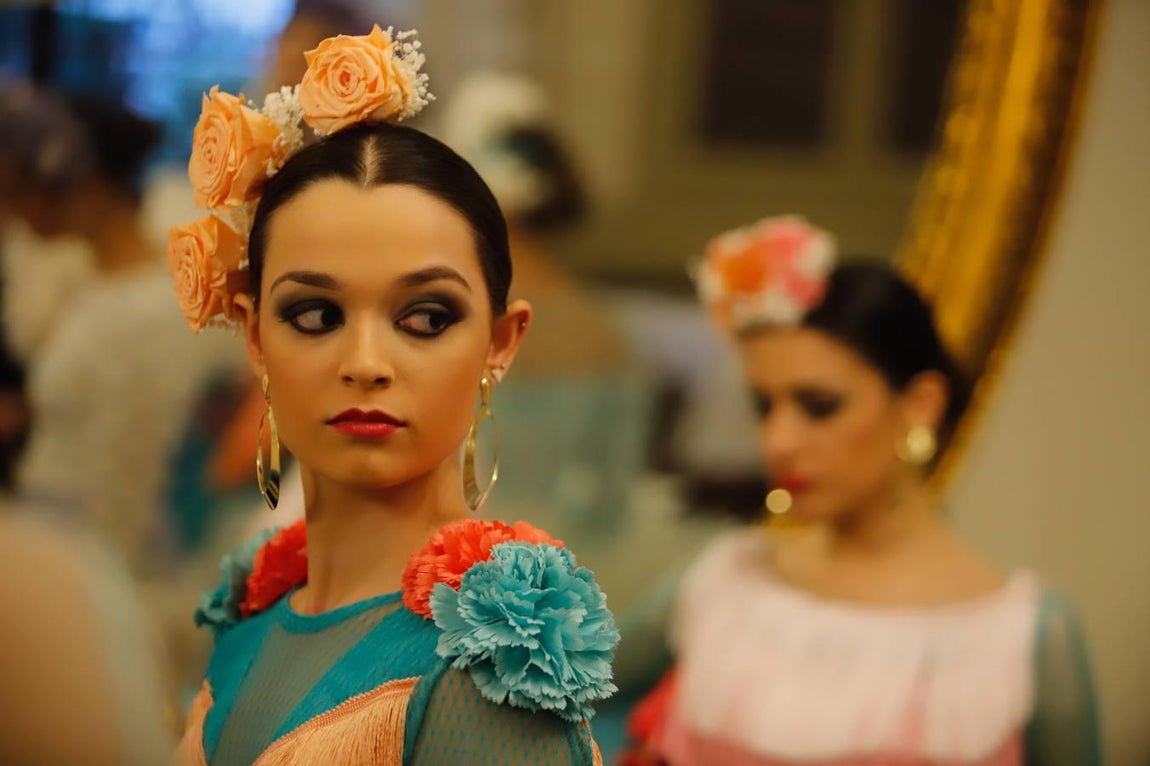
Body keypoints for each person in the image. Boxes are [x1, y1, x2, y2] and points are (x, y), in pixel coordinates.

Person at [167, 26, 618, 764]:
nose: (367, 363)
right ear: (254, 338)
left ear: (501, 343)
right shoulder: (245, 624)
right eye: (314, 316)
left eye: (426, 318)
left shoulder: (491, 671)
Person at [626, 216, 1103, 765]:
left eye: (819, 406)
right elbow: (560, 703)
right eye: (764, 406)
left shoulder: (1021, 636)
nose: (778, 440)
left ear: (920, 403)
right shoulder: (725, 581)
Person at [0, 82, 240, 577]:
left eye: (21, 189)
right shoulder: (94, 281)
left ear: (80, 187)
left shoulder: (140, 312)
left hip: (82, 554)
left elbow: (125, 484)